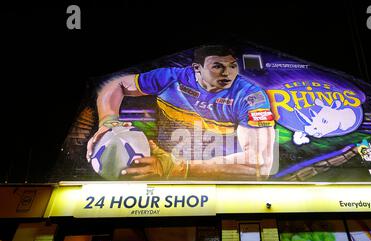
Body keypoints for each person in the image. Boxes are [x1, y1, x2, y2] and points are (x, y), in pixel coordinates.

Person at [86, 45, 275, 180]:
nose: (227, 73)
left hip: (218, 180)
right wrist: (108, 121)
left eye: (232, 66)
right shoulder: (172, 78)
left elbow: (261, 163)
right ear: (197, 68)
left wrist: (179, 168)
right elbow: (115, 84)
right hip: (160, 173)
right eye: (217, 66)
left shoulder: (250, 95)